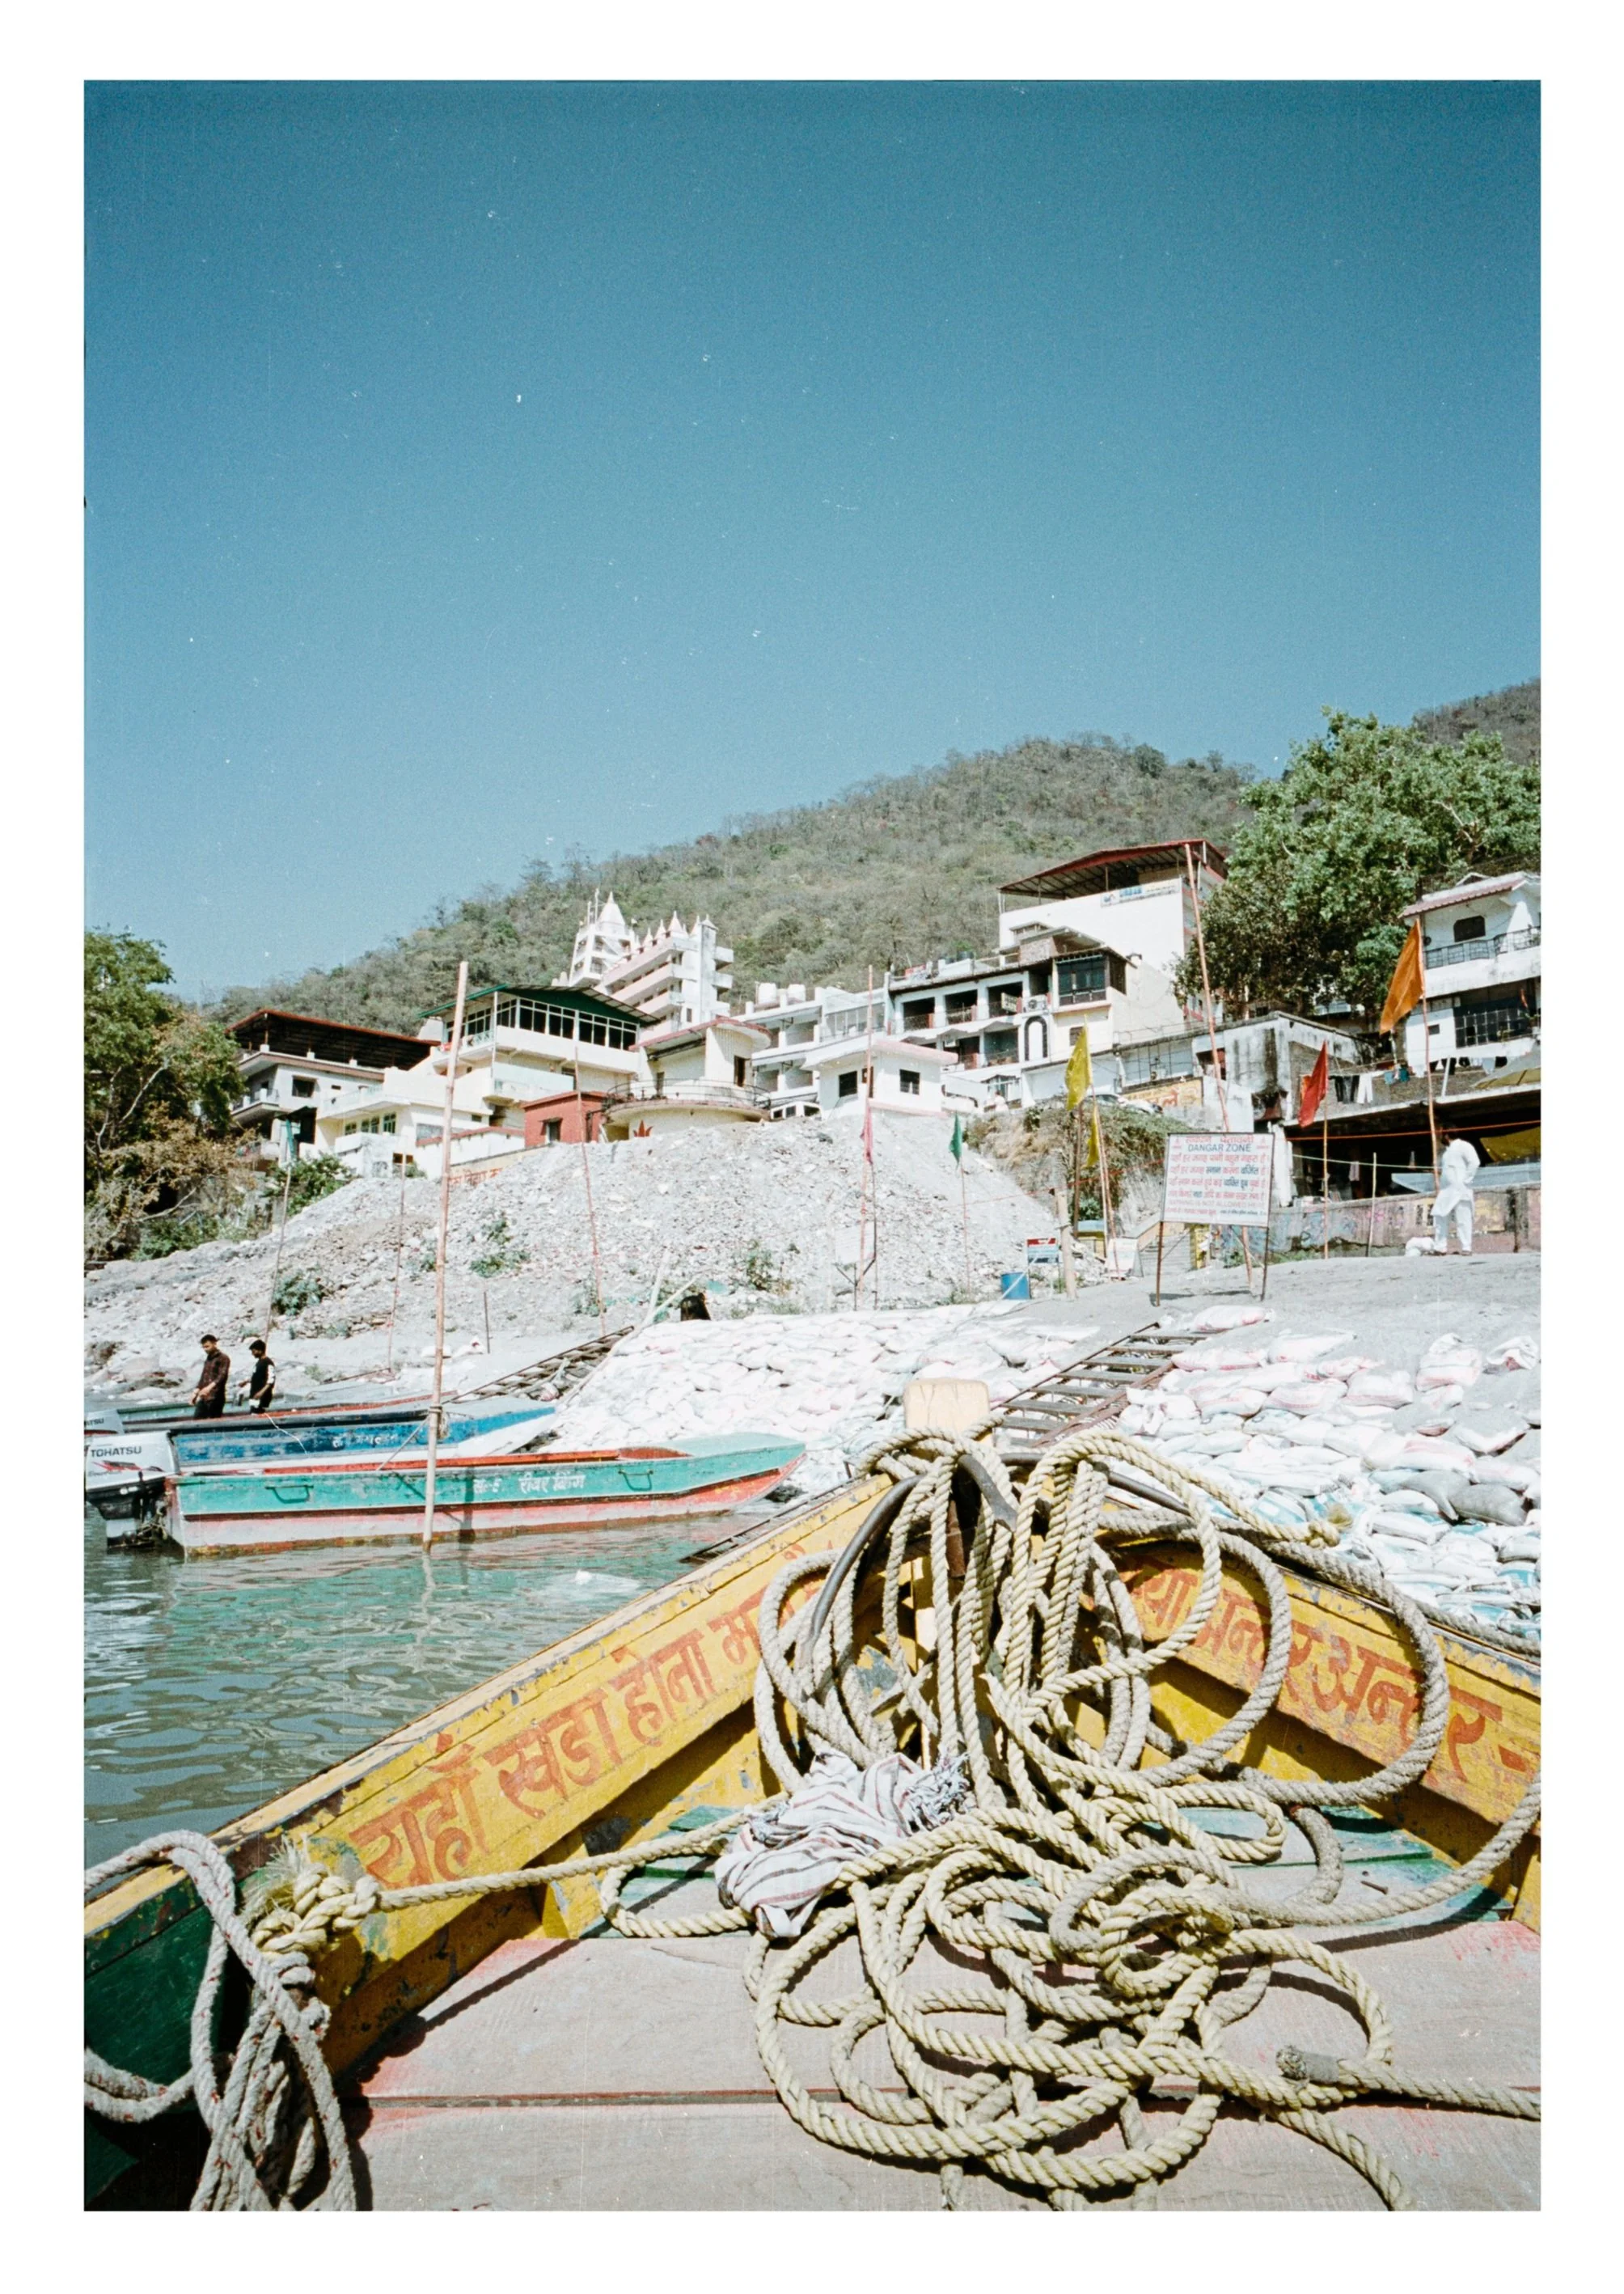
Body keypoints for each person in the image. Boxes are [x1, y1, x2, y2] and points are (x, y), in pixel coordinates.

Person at [1431, 1135, 1481, 1255]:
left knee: (1464, 1218)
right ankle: (1440, 1247)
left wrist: (1466, 1180)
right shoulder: (1446, 1153)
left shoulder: (1463, 1145)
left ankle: (1466, 1247)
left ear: (1447, 1135)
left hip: (1461, 1189)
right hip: (1446, 1190)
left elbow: (1475, 1162)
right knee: (1439, 1215)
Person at [192, 1335, 230, 1418]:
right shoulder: (208, 1359)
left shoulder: (223, 1358)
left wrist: (209, 1388)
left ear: (214, 1344)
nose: (205, 1349)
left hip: (216, 1397)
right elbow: (203, 1376)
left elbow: (222, 1376)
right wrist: (196, 1391)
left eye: (207, 1347)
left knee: (213, 1421)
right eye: (204, 1347)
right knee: (197, 1419)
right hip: (205, 1397)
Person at [240, 1339, 276, 1413]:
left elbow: (271, 1380)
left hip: (262, 1397)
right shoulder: (259, 1362)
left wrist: (261, 1393)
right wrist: (247, 1381)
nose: (253, 1354)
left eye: (254, 1351)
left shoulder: (268, 1363)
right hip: (255, 1395)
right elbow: (258, 1377)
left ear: (260, 1351)